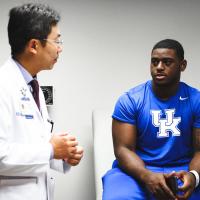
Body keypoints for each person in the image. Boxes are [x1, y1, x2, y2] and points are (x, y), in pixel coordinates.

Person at [0, 3, 83, 200]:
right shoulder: (3, 85)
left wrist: (63, 155)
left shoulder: (31, 85)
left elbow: (32, 144)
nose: (60, 48)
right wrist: (52, 149)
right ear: (34, 45)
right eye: (57, 41)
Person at [102, 39, 200, 200]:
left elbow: (199, 151)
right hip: (138, 170)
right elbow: (123, 149)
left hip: (183, 169)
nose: (159, 67)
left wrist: (194, 176)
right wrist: (147, 176)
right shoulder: (131, 100)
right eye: (155, 62)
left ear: (182, 65)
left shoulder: (196, 100)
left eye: (167, 62)